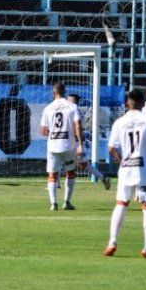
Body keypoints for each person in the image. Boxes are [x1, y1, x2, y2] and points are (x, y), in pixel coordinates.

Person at [104, 89, 146, 259]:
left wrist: (122, 159)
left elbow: (111, 148)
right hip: (144, 168)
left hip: (126, 168)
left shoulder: (119, 122)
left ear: (127, 103)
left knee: (121, 204)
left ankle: (112, 242)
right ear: (142, 103)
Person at [40, 82, 83, 211]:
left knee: (52, 175)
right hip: (68, 145)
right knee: (70, 172)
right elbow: (78, 126)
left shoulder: (48, 108)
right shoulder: (72, 106)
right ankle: (67, 202)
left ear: (54, 93)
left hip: (53, 146)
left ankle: (53, 204)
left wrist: (54, 134)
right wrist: (80, 143)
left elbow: (43, 131)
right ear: (64, 92)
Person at [67, 94, 110, 190]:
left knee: (63, 161)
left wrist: (80, 144)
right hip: (74, 141)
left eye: (69, 100)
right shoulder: (73, 111)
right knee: (84, 164)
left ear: (74, 102)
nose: (67, 102)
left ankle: (56, 185)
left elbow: (78, 128)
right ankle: (103, 178)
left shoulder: (74, 111)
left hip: (73, 142)